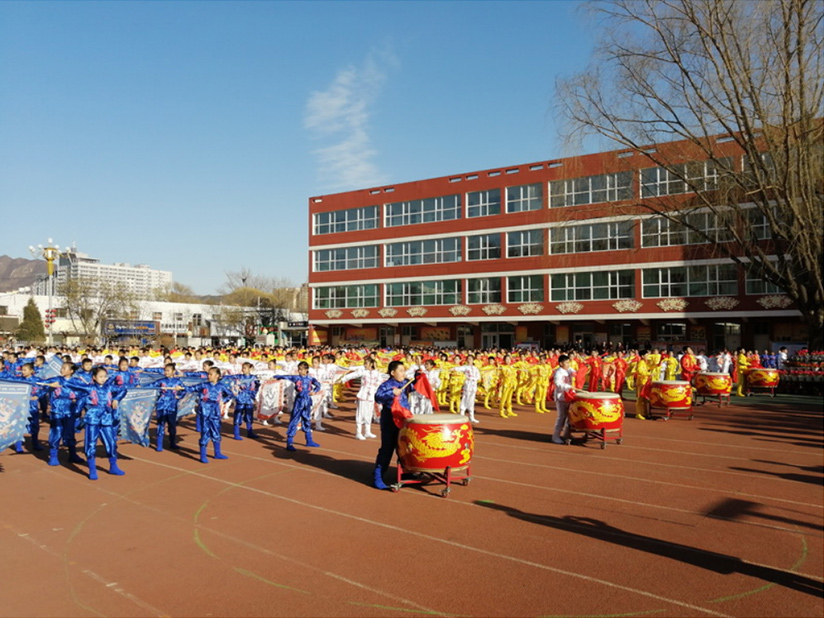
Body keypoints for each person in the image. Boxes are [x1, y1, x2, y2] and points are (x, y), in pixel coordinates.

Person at [82, 367, 128, 480]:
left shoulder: (109, 387)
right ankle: (92, 469)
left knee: (111, 442)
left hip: (106, 418)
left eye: (105, 376)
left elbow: (123, 389)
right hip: (93, 418)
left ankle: (113, 466)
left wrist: (116, 399)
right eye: (100, 377)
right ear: (94, 377)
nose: (103, 379)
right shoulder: (89, 388)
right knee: (91, 443)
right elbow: (71, 386)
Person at [372, 360, 412, 490]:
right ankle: (378, 476)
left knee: (404, 447)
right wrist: (392, 393)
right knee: (387, 448)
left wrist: (419, 376)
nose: (403, 373)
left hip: (404, 418)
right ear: (392, 372)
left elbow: (416, 386)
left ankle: (406, 472)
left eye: (404, 371)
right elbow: (378, 397)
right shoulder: (386, 385)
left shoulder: (405, 383)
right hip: (390, 419)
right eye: (400, 371)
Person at [185, 367, 236, 463]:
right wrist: (182, 388)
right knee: (205, 431)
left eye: (211, 374)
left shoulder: (221, 386)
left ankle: (217, 453)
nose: (208, 376)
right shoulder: (204, 385)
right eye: (208, 374)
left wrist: (223, 400)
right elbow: (191, 388)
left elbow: (230, 394)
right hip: (205, 409)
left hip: (215, 409)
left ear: (217, 376)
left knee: (216, 429)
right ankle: (203, 455)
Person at [272, 361, 321, 452]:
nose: (299, 371)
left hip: (307, 401)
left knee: (307, 419)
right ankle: (289, 442)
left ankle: (309, 440)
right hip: (299, 401)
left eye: (301, 369)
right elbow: (288, 377)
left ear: (306, 370)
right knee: (294, 419)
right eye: (299, 369)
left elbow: (318, 385)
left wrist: (314, 391)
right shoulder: (296, 378)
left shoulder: (311, 379)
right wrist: (279, 376)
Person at [338, 357, 385, 439]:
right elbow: (352, 375)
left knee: (369, 413)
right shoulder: (363, 371)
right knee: (360, 414)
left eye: (366, 363)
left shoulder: (377, 373)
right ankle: (358, 433)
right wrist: (343, 379)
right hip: (363, 395)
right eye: (365, 363)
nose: (365, 365)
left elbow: (380, 381)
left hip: (371, 396)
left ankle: (367, 431)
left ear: (371, 364)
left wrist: (375, 388)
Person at [149, 363, 186, 451]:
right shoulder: (161, 381)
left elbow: (184, 390)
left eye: (168, 370)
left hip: (172, 405)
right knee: (160, 424)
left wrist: (179, 395)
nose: (166, 372)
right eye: (165, 370)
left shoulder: (178, 382)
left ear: (173, 371)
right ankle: (159, 445)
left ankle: (172, 443)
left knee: (172, 424)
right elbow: (150, 386)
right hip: (161, 404)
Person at [551, 355, 577, 444]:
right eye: (566, 362)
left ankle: (566, 433)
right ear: (561, 363)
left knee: (569, 416)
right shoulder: (558, 372)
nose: (568, 364)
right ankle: (555, 436)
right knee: (561, 417)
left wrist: (574, 373)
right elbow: (558, 383)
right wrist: (568, 387)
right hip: (561, 397)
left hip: (569, 396)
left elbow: (572, 370)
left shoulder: (568, 370)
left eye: (568, 362)